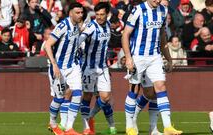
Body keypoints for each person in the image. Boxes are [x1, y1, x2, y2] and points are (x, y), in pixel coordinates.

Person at [121, 0, 183, 135]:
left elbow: (162, 36)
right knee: (134, 90)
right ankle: (129, 126)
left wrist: (169, 59)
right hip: (138, 56)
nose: (157, 0)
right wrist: (128, 57)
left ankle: (167, 127)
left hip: (155, 56)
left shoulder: (163, 10)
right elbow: (125, 34)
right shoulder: (137, 10)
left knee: (160, 87)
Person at [44, 2, 83, 135]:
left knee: (77, 93)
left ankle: (69, 128)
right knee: (59, 98)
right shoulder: (62, 26)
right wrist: (54, 64)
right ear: (70, 13)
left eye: (82, 12)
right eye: (77, 13)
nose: (80, 15)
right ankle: (53, 122)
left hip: (73, 66)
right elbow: (48, 45)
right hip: (59, 67)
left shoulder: (78, 25)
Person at [78, 2, 117, 135]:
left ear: (107, 14)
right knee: (87, 96)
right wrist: (77, 42)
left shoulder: (107, 26)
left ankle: (89, 116)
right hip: (88, 67)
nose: (99, 17)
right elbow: (82, 37)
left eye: (102, 14)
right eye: (97, 14)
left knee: (105, 97)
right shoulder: (91, 26)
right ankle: (86, 127)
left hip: (103, 67)